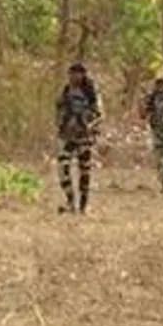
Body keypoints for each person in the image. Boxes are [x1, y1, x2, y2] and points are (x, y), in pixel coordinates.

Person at [55, 61, 102, 214]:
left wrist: (89, 126)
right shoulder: (66, 90)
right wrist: (61, 124)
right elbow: (59, 110)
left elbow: (99, 115)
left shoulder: (90, 92)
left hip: (84, 137)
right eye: (71, 73)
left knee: (84, 171)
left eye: (77, 73)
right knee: (62, 168)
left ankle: (82, 205)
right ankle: (70, 200)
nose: (73, 76)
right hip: (67, 136)